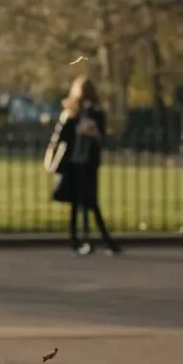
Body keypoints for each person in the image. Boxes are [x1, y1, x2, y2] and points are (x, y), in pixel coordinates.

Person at [45, 75, 120, 256]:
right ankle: (90, 240)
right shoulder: (72, 114)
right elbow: (60, 136)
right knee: (79, 203)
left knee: (90, 202)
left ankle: (88, 239)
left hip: (87, 163)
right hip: (74, 163)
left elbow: (101, 135)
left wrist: (92, 132)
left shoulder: (95, 113)